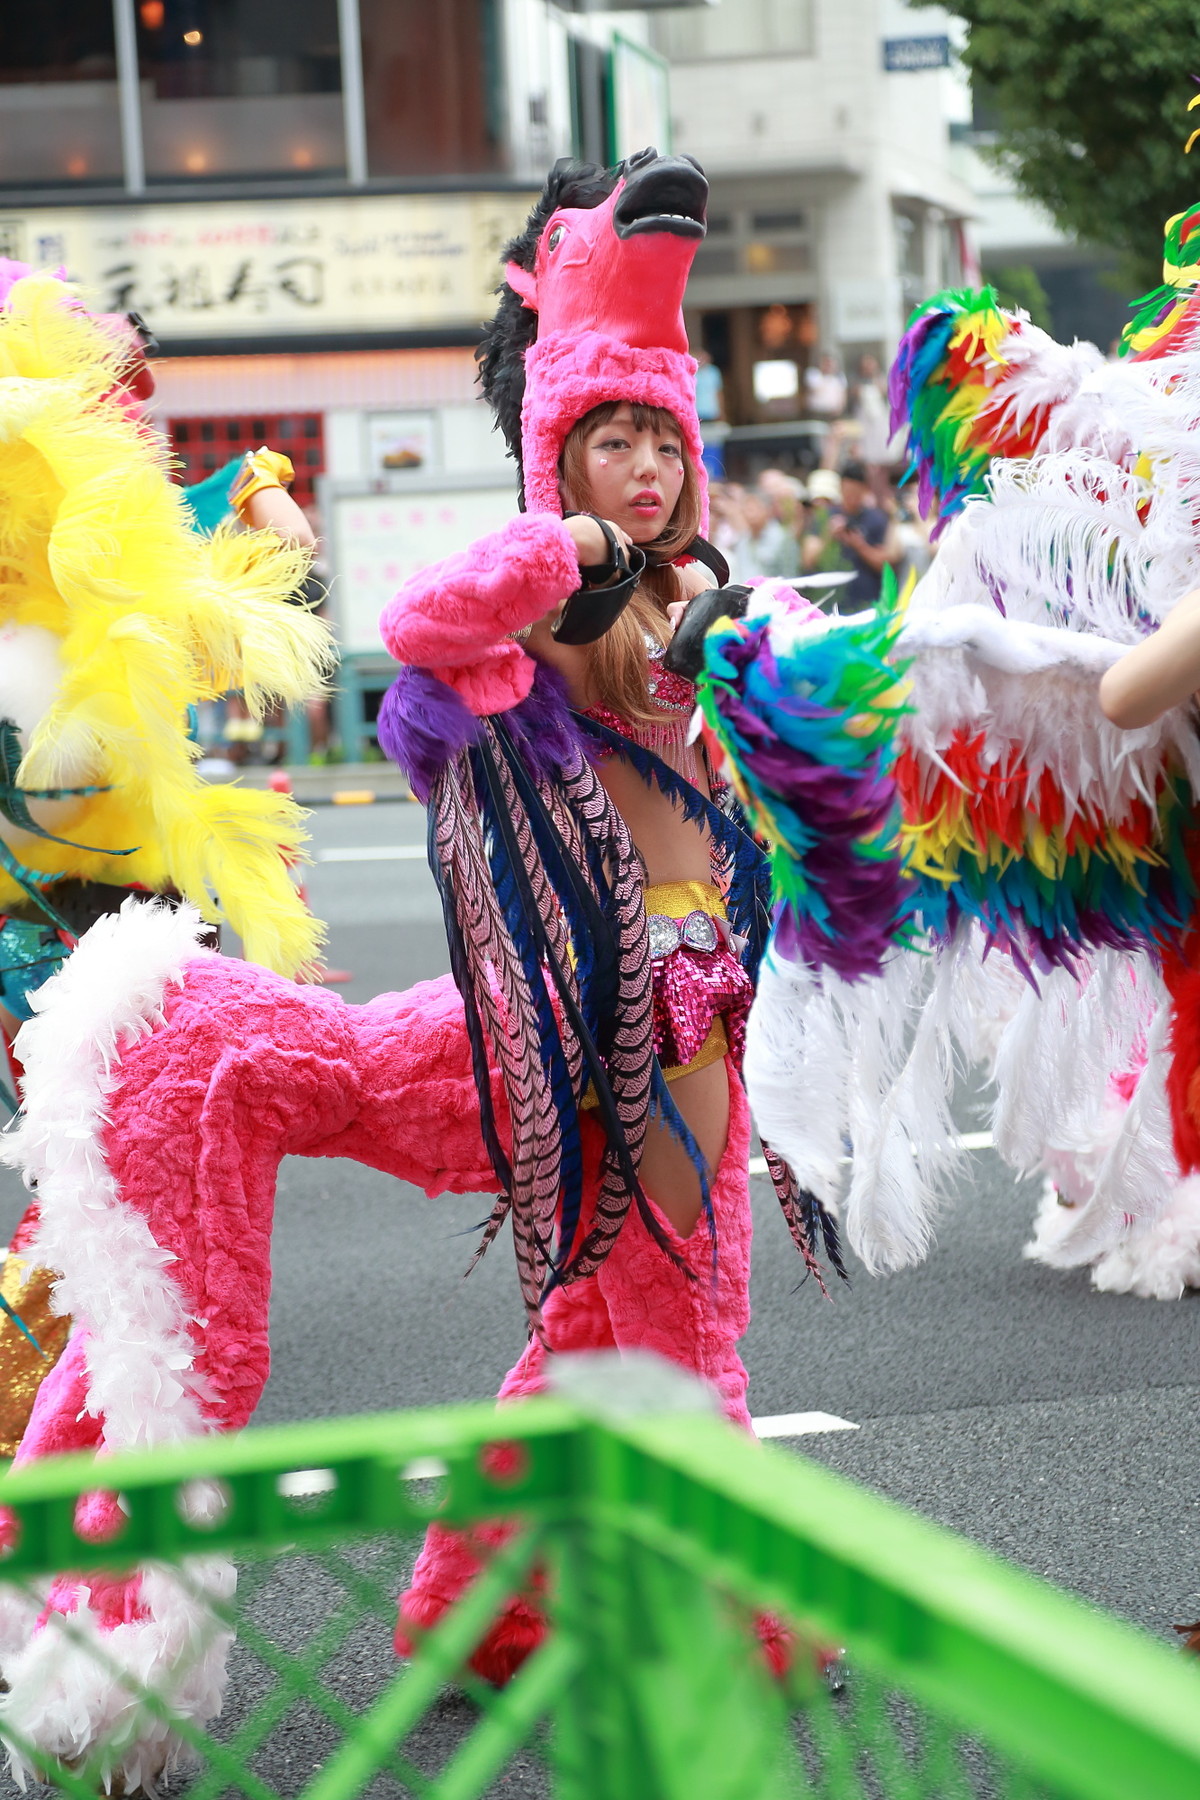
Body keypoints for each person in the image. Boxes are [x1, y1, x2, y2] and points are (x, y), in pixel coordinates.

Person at [0, 151, 837, 1773]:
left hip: (694, 1025)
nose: (646, 470)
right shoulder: (553, 602)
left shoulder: (727, 609)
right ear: (555, 449)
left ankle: (485, 1599)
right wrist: (551, 563)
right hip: (576, 1034)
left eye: (665, 436)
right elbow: (436, 641)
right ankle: (716, 1608)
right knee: (676, 1320)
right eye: (612, 435)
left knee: (616, 1312)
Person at [825, 459, 897, 611]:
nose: (851, 498)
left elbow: (886, 565)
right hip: (831, 601)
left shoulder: (877, 519)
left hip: (867, 603)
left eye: (856, 493)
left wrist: (860, 545)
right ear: (840, 487)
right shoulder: (826, 516)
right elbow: (808, 560)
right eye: (848, 492)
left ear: (865, 490)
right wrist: (828, 536)